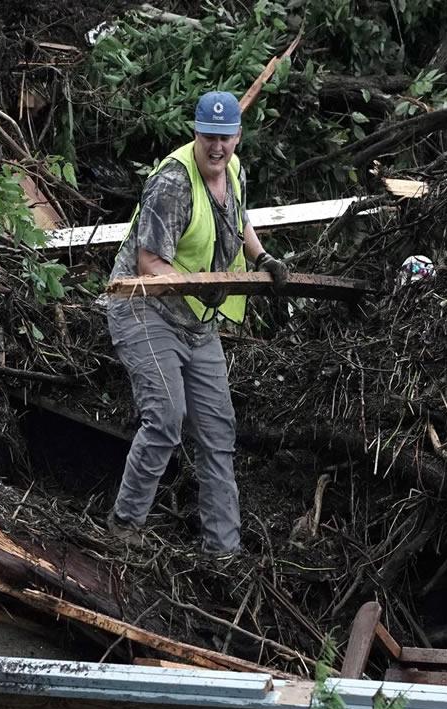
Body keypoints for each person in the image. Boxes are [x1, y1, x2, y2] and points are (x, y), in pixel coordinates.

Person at [106, 90, 289, 555]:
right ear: (196, 133)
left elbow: (238, 221)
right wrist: (197, 284)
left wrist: (264, 257)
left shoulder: (234, 171)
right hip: (145, 308)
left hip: (196, 321)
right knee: (166, 417)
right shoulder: (174, 183)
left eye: (226, 139)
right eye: (209, 137)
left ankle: (223, 551)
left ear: (237, 138)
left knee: (217, 430)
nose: (217, 148)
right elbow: (149, 263)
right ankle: (125, 526)